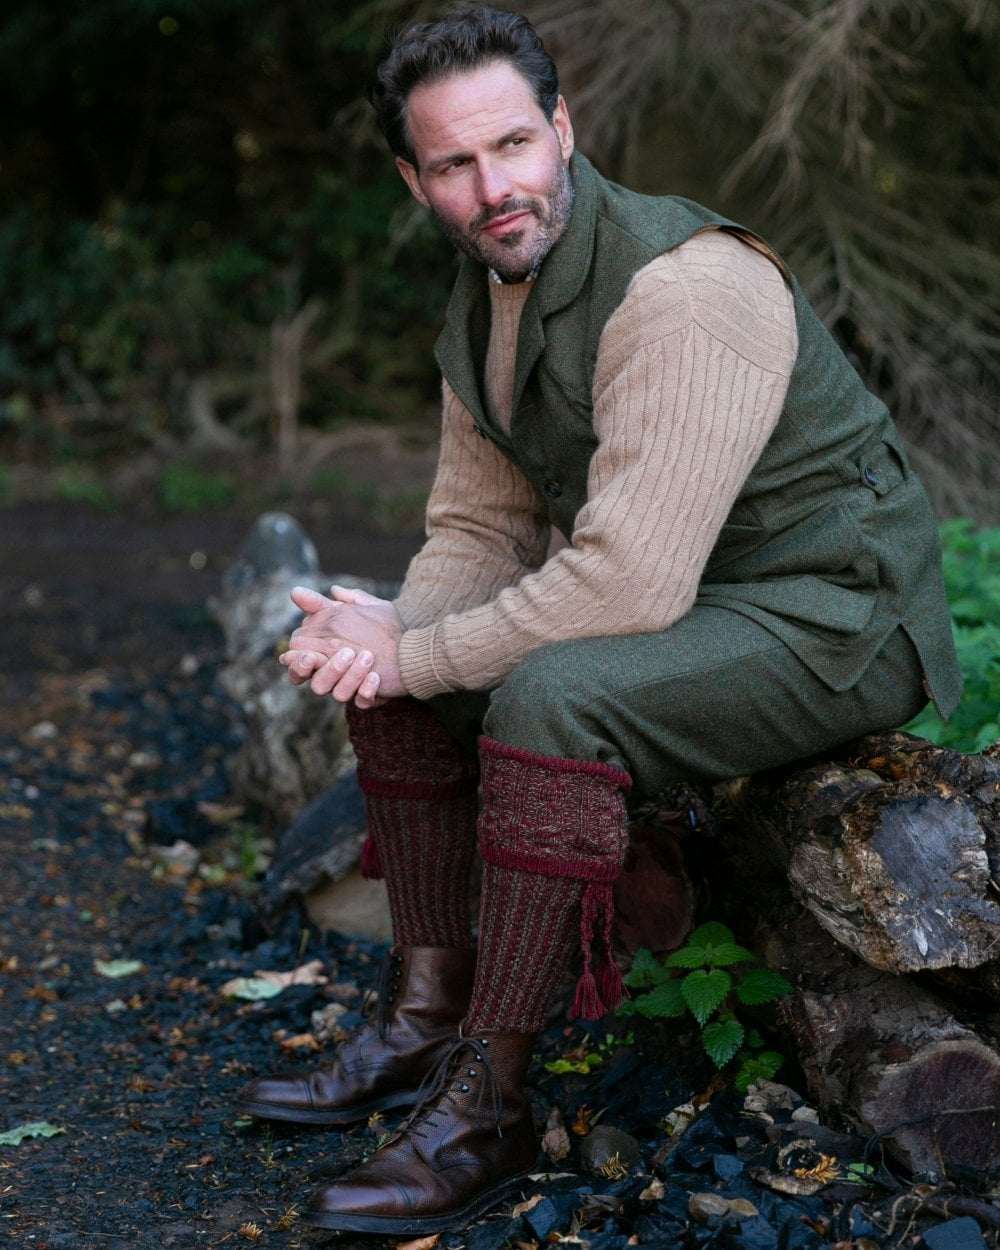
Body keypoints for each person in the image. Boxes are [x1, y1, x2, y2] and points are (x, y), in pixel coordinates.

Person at [235, 6, 962, 1236]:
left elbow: (626, 587)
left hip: (831, 616)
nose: (495, 186)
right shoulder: (484, 298)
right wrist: (384, 641)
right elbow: (478, 530)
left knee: (549, 695)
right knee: (402, 671)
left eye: (513, 144)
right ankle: (425, 1014)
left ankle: (492, 1101)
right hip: (695, 602)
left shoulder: (688, 288)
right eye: (456, 164)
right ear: (415, 181)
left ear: (563, 127)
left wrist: (414, 644)